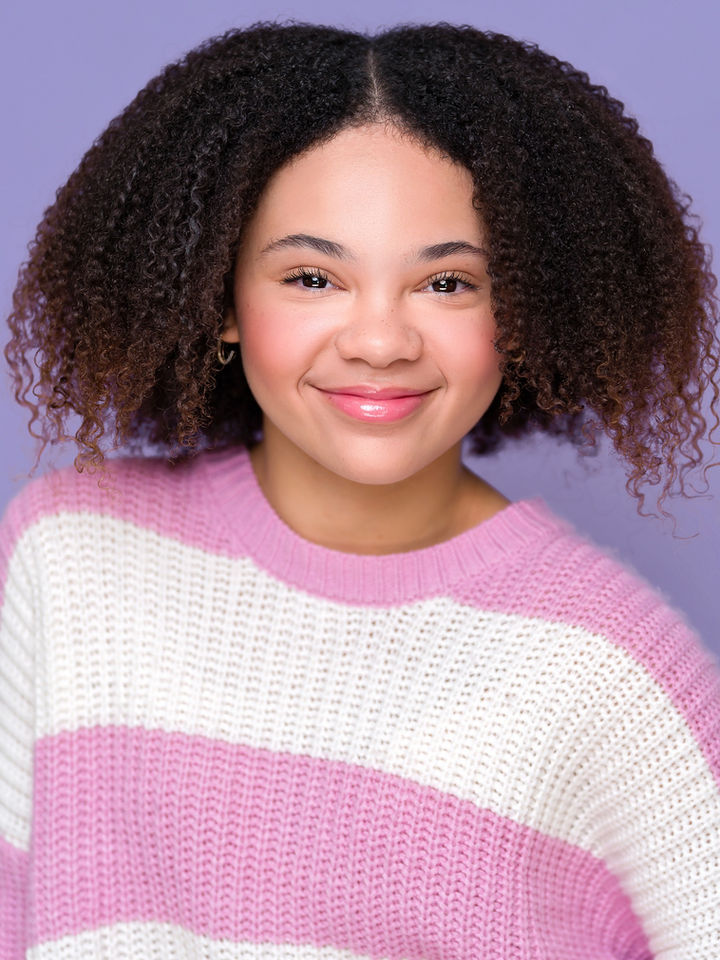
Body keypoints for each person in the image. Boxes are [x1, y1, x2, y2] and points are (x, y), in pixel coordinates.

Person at [1, 18, 719, 960]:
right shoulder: (70, 558)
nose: (380, 342)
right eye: (313, 277)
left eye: (448, 284)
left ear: (527, 309)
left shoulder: (611, 668)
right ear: (219, 296)